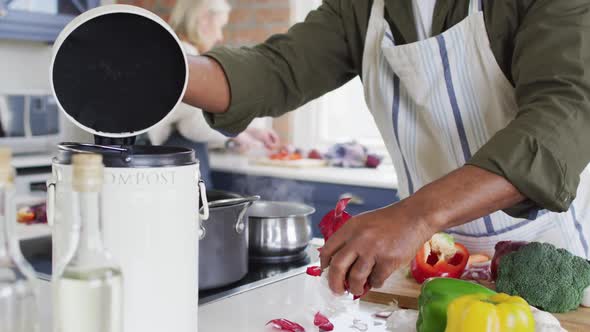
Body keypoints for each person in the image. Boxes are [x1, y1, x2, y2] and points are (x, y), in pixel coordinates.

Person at [181, 0, 590, 297]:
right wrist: (166, 66)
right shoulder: (360, 9)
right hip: (431, 270)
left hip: (553, 258)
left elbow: (559, 120)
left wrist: (414, 216)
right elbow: (275, 71)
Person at [147, 0, 280, 185]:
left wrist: (247, 131)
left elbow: (189, 117)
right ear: (203, 21)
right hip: (146, 153)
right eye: (220, 27)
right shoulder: (186, 60)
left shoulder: (173, 51)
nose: (220, 37)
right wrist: (239, 134)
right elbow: (193, 126)